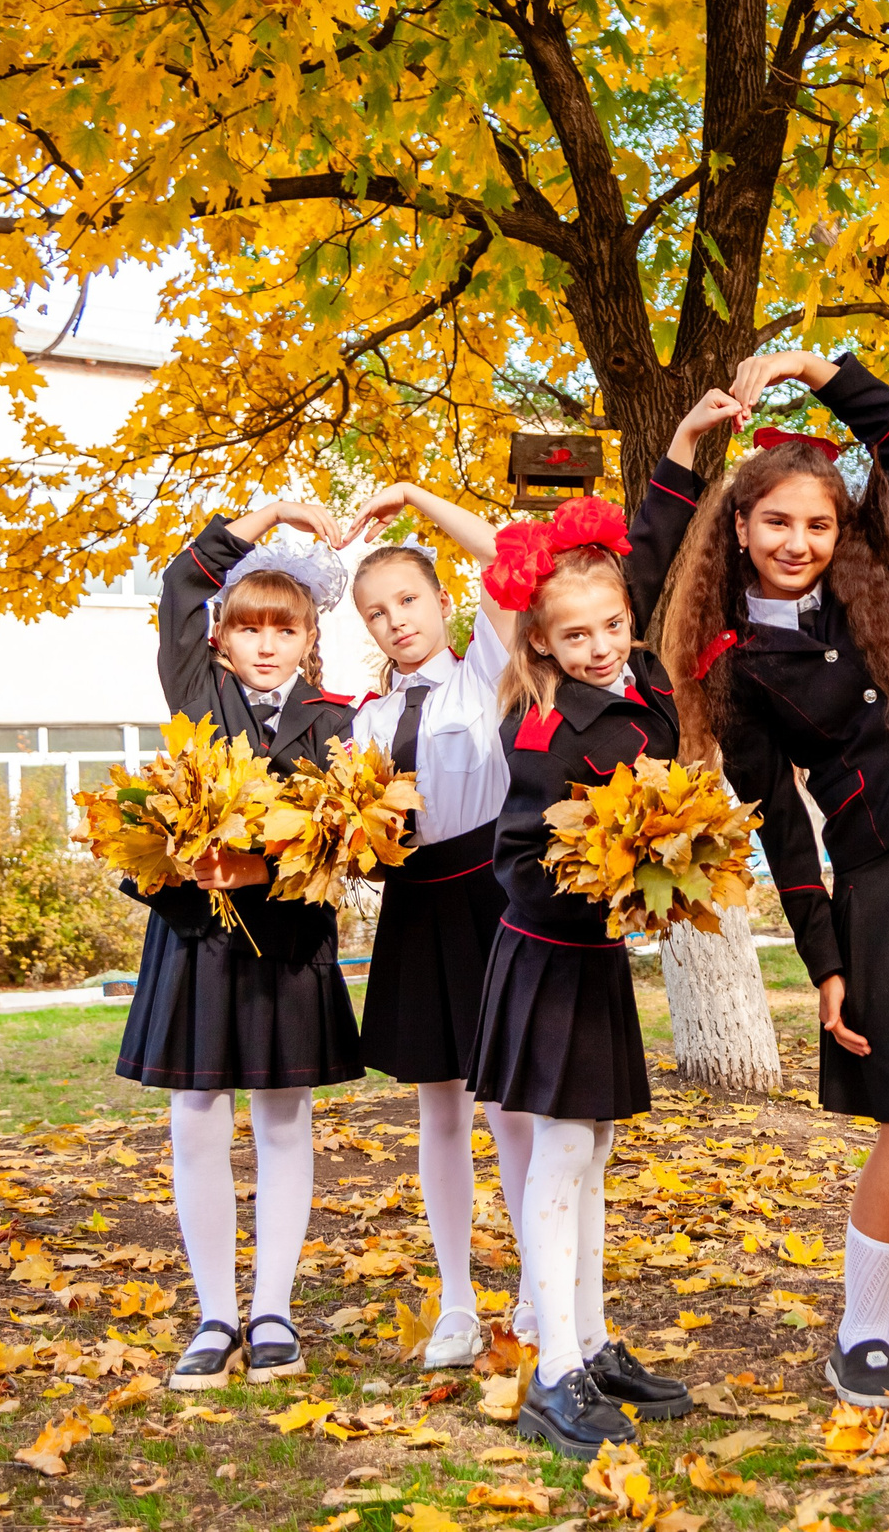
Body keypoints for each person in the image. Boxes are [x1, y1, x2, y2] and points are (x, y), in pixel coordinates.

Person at [653, 353, 889, 1409]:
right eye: (777, 524)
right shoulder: (728, 665)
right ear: (739, 528)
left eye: (816, 526)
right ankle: (859, 1333)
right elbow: (780, 823)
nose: (799, 544)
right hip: (886, 890)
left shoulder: (870, 582)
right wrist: (823, 962)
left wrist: (817, 370)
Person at [115, 501, 364, 1392]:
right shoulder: (196, 693)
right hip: (194, 936)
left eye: (283, 627)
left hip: (287, 939)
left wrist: (265, 866)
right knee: (195, 1119)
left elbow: (346, 835)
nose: (265, 643)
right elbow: (180, 579)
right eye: (247, 625)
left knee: (284, 1119)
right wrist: (274, 518)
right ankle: (214, 1309)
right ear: (219, 635)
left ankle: (273, 1311)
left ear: (307, 637)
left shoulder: (336, 722)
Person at [474, 493, 694, 1458]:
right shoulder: (546, 728)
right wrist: (606, 879)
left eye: (611, 625)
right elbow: (517, 861)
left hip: (597, 961)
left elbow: (644, 552)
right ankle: (554, 1369)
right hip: (548, 961)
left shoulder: (643, 689)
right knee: (561, 1158)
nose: (600, 644)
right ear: (543, 641)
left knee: (595, 1150)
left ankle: (595, 1342)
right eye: (576, 634)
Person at [342, 484, 522, 1370]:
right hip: (415, 908)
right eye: (376, 613)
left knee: (512, 1108)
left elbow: (510, 558)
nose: (394, 621)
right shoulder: (363, 720)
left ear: (444, 603)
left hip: (491, 897)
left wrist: (414, 495)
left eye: (408, 600)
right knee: (439, 1109)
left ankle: (536, 1296)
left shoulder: (486, 671)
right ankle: (456, 1300)